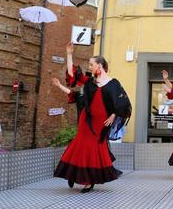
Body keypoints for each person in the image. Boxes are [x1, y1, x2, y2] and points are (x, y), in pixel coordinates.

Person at [54, 42, 131, 193]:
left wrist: (114, 115)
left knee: (95, 147)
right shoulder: (90, 81)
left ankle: (89, 179)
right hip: (87, 119)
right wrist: (69, 53)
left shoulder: (113, 84)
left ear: (99, 66)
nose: (89, 67)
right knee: (81, 144)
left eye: (91, 64)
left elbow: (123, 103)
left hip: (102, 121)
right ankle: (76, 174)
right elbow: (72, 74)